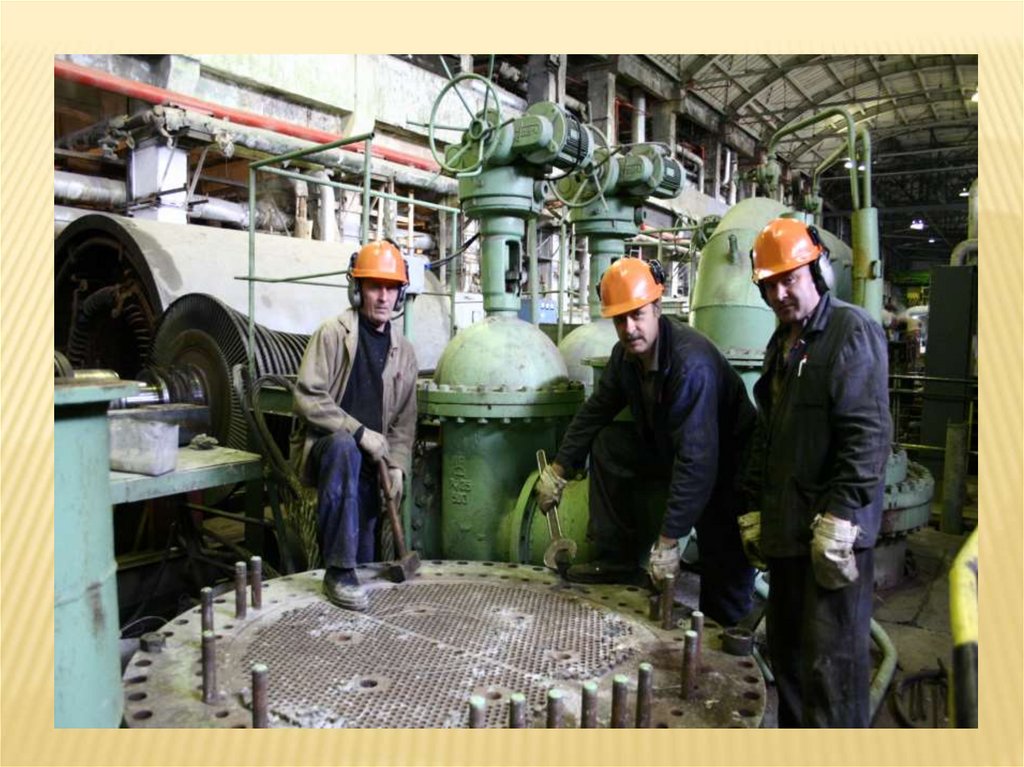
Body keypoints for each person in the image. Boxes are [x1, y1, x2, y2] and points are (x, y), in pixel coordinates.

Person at [535, 256, 757, 627]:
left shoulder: (690, 364)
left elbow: (697, 461)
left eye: (637, 315)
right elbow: (596, 411)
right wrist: (558, 471)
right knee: (609, 442)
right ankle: (616, 557)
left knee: (722, 585)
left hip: (728, 469)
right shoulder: (626, 357)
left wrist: (669, 542)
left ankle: (728, 634)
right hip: (673, 448)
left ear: (657, 307)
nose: (629, 328)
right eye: (619, 319)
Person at [741, 217, 891, 727]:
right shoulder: (783, 343)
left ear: (816, 272)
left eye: (789, 279)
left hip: (832, 541)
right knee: (788, 662)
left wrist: (841, 517)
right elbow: (768, 435)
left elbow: (867, 435)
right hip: (788, 538)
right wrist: (755, 509)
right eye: (769, 285)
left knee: (832, 672)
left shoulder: (851, 330)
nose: (780, 294)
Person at [291, 240, 418, 611]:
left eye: (390, 288)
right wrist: (359, 433)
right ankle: (337, 573)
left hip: (372, 463)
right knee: (345, 446)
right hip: (329, 452)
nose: (383, 296)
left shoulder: (404, 351)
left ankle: (350, 580)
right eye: (374, 286)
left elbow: (404, 421)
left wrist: (397, 465)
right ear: (357, 289)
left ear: (400, 294)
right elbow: (308, 396)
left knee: (363, 556)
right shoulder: (332, 334)